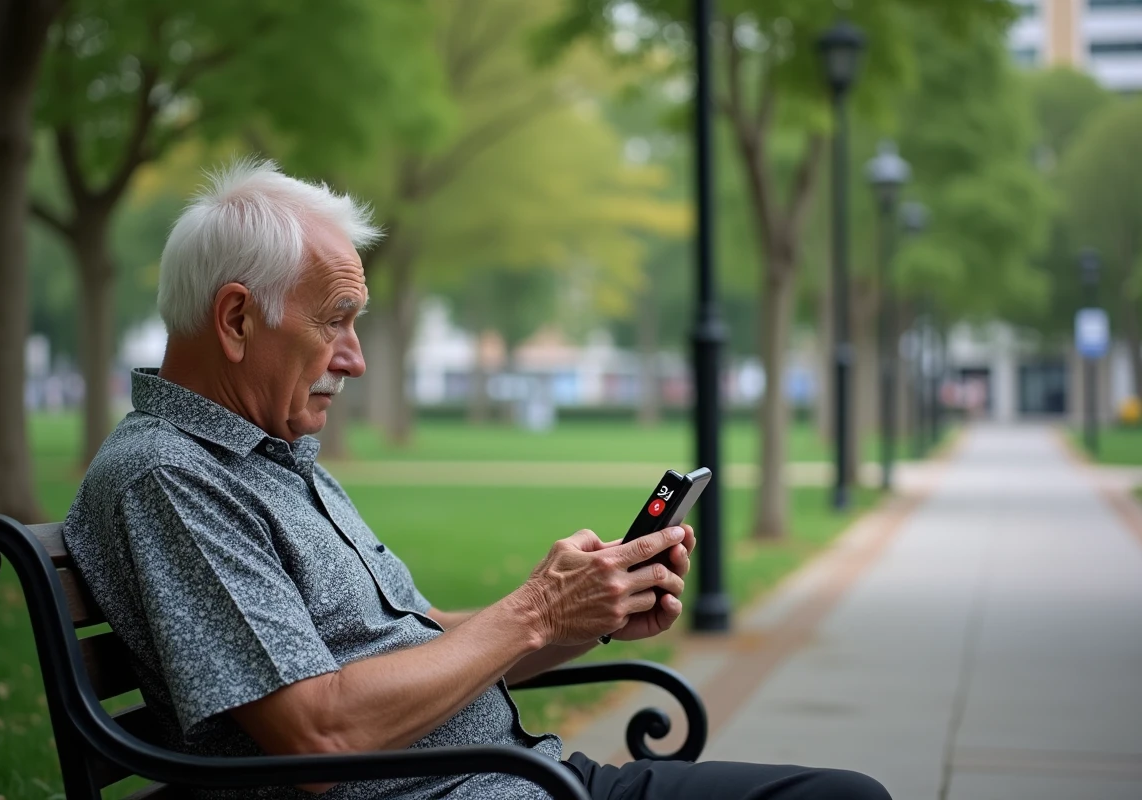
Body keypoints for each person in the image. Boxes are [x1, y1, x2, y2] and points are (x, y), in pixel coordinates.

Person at [63, 160, 890, 800]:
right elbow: (317, 737)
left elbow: (418, 644)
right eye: (336, 320)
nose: (353, 358)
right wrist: (536, 612)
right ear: (238, 319)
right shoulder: (169, 478)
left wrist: (580, 616)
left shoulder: (263, 457)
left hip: (514, 777)